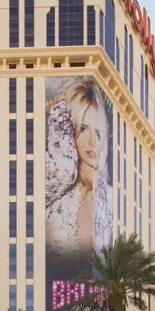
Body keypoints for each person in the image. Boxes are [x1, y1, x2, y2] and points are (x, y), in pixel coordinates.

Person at [45, 78, 111, 261]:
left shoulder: (112, 199)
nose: (92, 141)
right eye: (83, 129)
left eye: (98, 133)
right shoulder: (56, 204)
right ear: (69, 131)